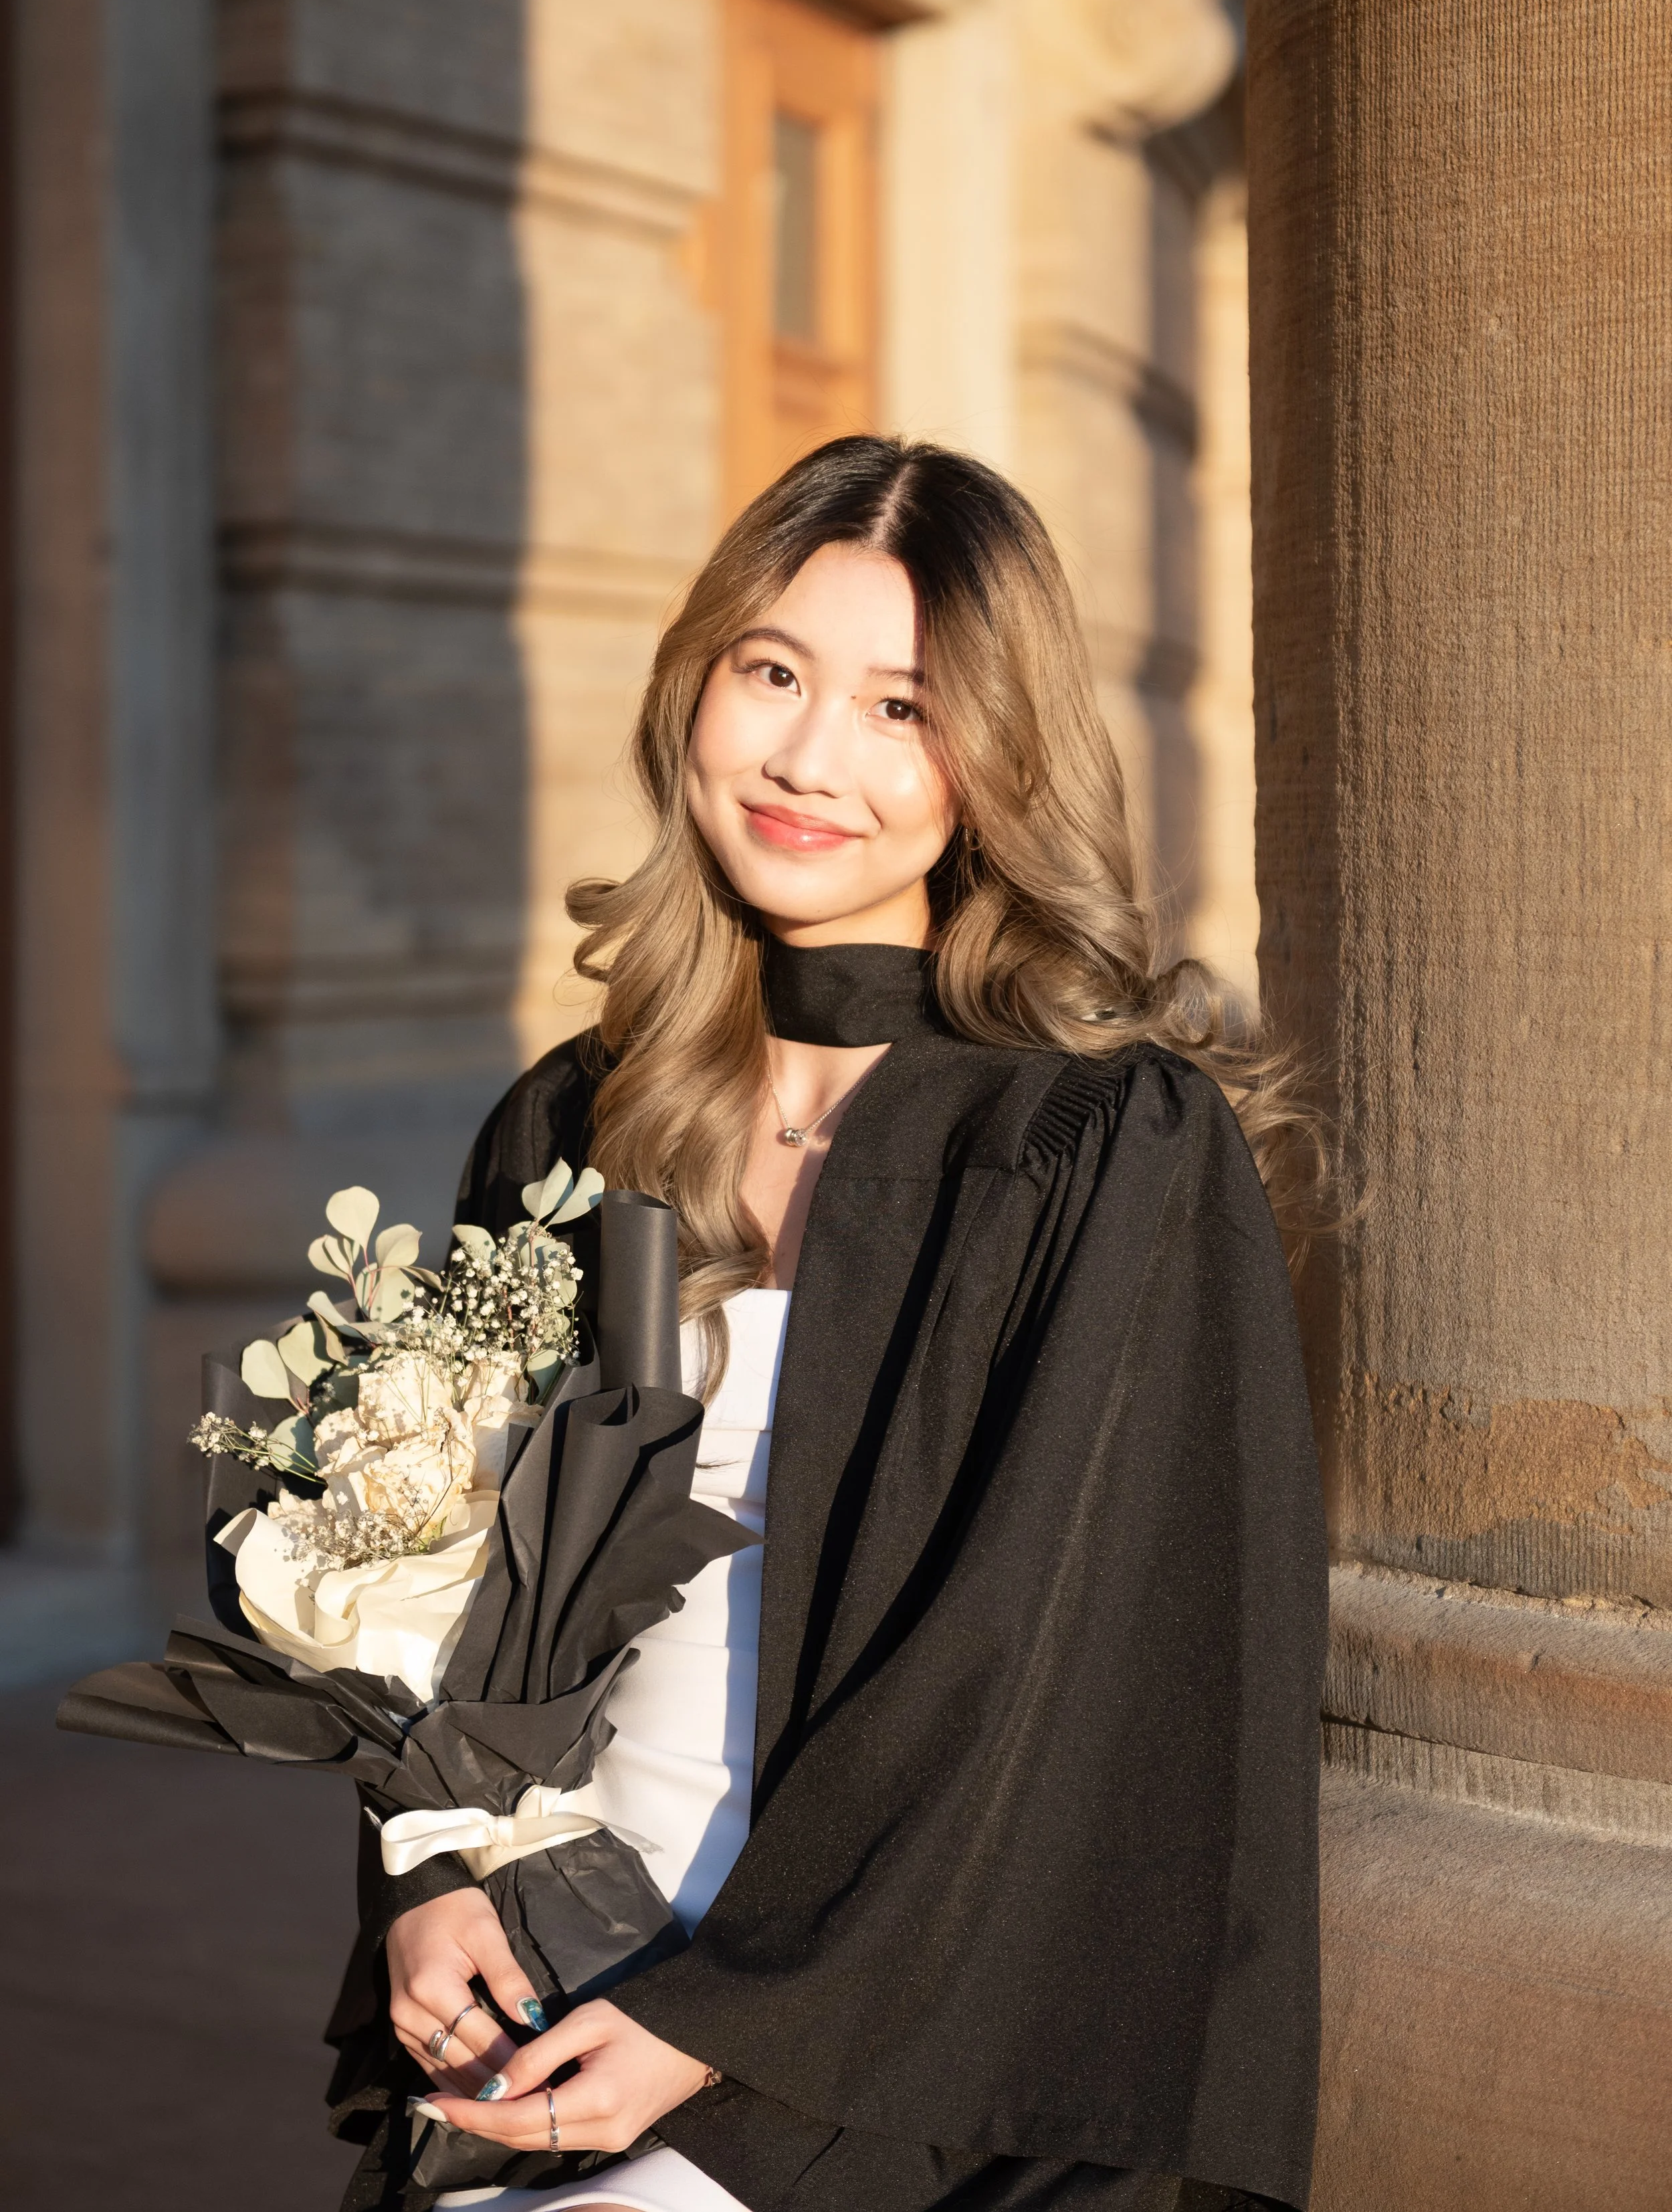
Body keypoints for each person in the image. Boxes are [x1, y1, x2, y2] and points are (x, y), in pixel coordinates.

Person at [366, 435, 1328, 2212]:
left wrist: (732, 2015)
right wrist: (428, 1872)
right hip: (561, 1937)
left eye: (904, 708)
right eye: (775, 674)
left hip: (903, 1996)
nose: (812, 760)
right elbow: (433, 1565)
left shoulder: (1095, 1140)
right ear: (695, 689)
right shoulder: (570, 1123)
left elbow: (1046, 1653)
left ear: (999, 765)